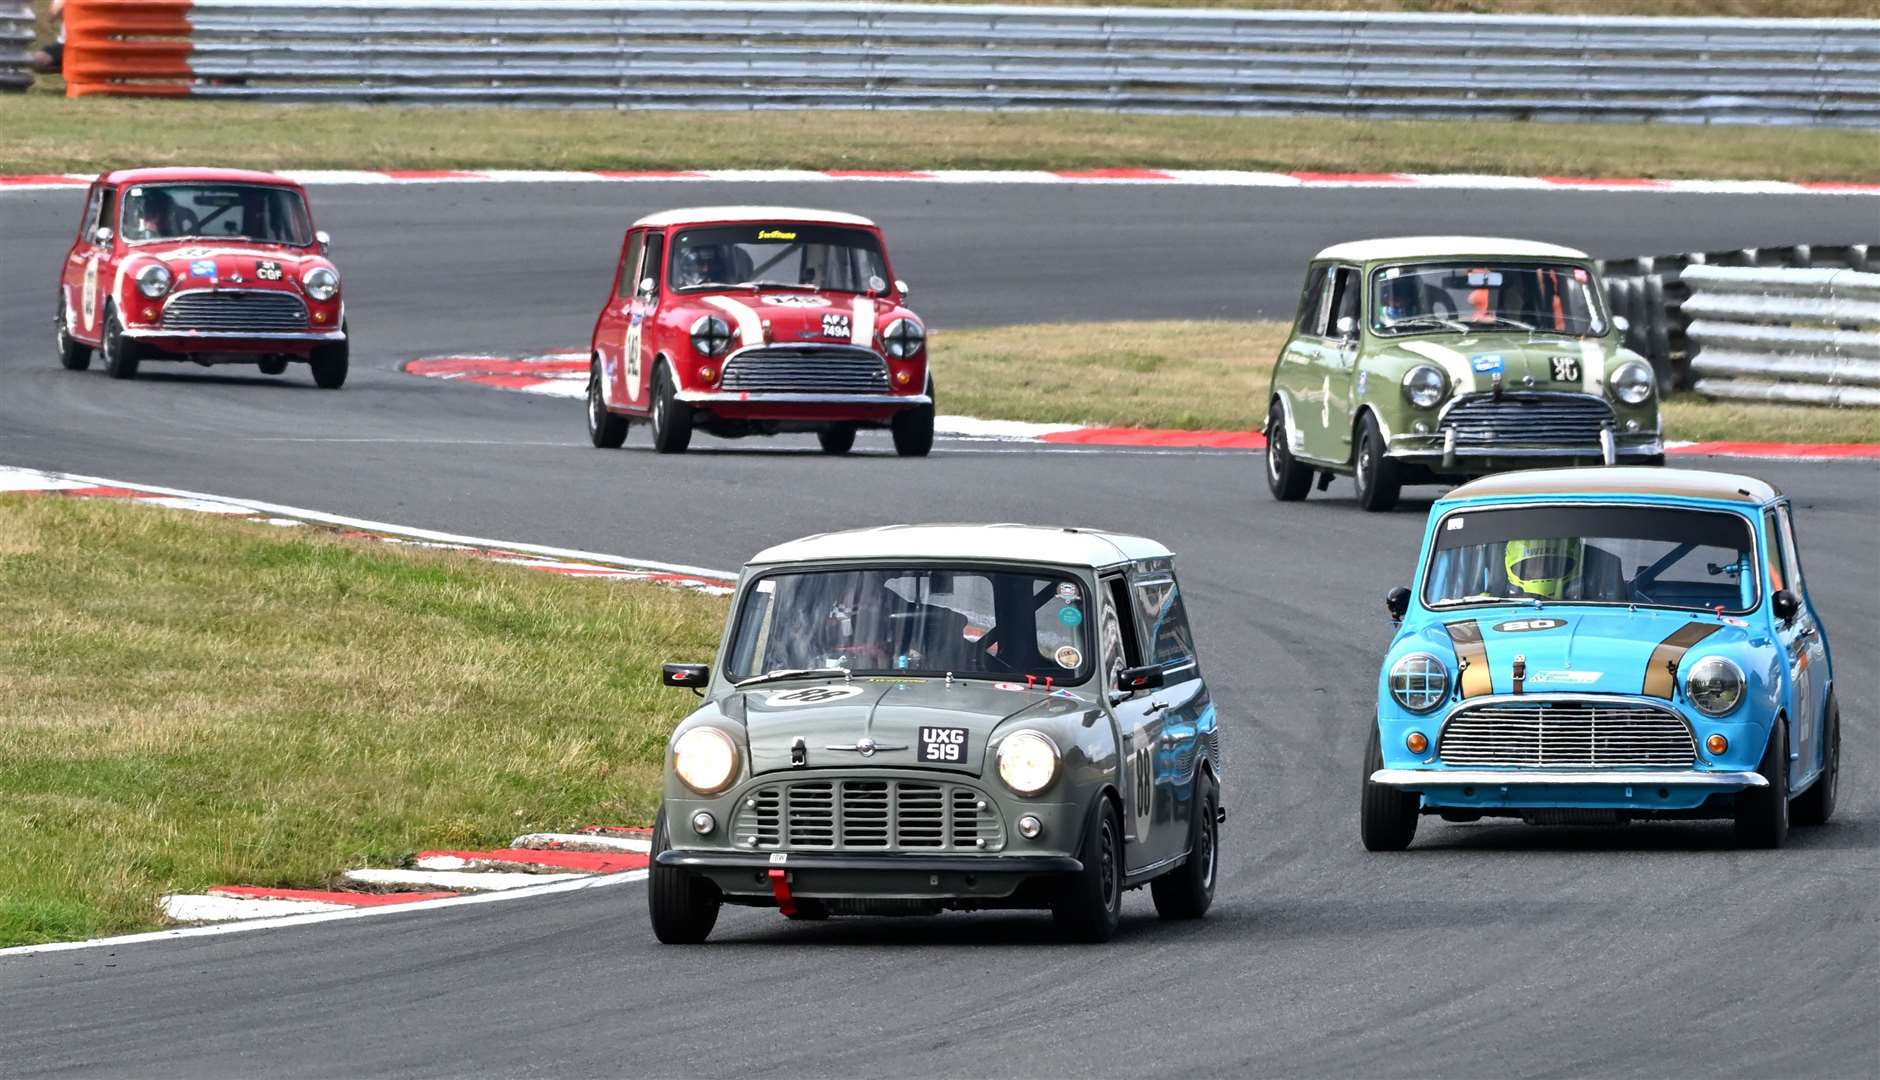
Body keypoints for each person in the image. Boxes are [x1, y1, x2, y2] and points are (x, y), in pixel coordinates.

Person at [1503, 537, 1583, 600]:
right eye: (1533, 566)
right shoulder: (1496, 602)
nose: (1541, 573)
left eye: (1552, 565)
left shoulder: (1591, 599)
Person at [30, 0, 65, 75]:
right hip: (65, 43)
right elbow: (51, 17)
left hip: (93, 44)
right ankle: (72, 70)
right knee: (37, 62)